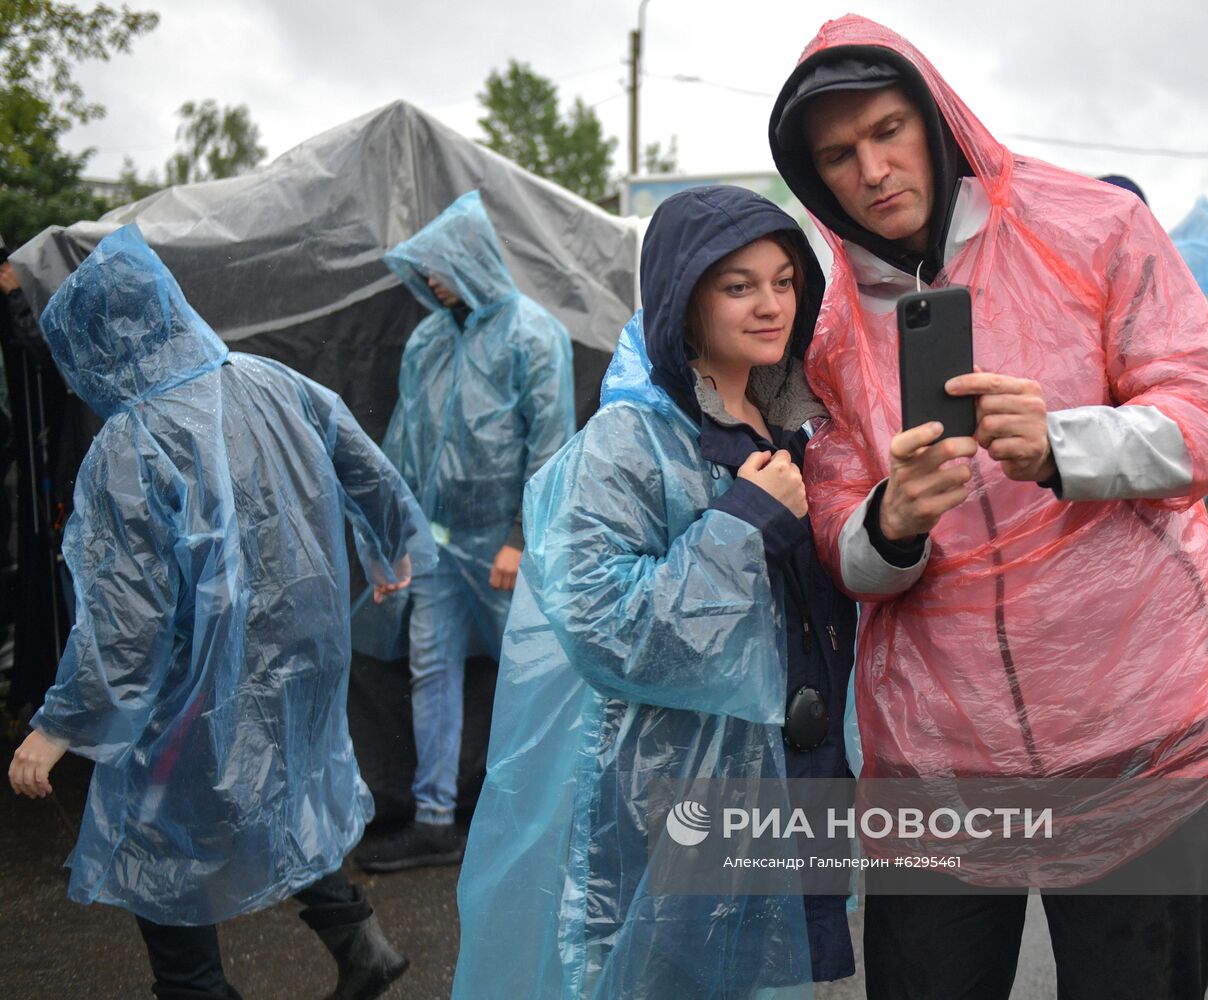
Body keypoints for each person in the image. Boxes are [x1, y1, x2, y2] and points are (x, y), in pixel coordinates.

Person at [767, 15, 1208, 1000]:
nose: (872, 169)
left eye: (888, 130)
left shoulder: (1090, 227)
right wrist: (893, 522)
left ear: (932, 119)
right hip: (939, 755)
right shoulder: (831, 325)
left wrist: (1067, 444)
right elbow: (839, 535)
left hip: (1135, 730)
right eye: (838, 155)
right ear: (813, 178)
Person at [451, 185, 865, 998]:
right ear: (683, 295)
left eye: (784, 281)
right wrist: (743, 527)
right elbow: (605, 626)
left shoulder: (793, 427)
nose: (771, 304)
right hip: (671, 793)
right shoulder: (628, 441)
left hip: (790, 776)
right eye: (738, 285)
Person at [6, 225, 437, 1000]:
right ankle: (362, 945)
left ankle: (197, 990)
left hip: (198, 669)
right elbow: (363, 461)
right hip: (304, 645)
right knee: (279, 789)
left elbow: (126, 615)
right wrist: (392, 546)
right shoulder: (273, 380)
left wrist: (62, 722)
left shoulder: (129, 441)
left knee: (159, 832)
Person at [352, 189, 576, 872]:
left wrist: (518, 536)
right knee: (433, 672)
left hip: (503, 546)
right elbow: (404, 446)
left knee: (533, 674)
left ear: (473, 258)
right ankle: (433, 819)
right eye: (426, 269)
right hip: (437, 542)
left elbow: (550, 448)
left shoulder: (534, 335)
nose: (434, 280)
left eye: (442, 265)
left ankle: (536, 818)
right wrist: (394, 540)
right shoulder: (427, 342)